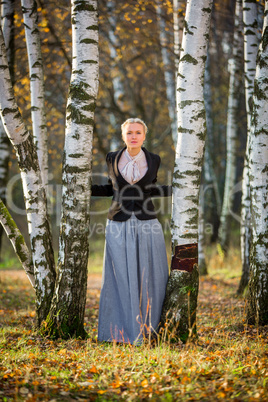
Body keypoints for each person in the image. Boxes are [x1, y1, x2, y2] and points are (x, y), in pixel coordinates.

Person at [91, 118, 171, 344]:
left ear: (144, 135)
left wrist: (175, 190)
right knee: (119, 278)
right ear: (123, 135)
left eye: (138, 132)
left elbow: (151, 189)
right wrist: (84, 188)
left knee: (151, 276)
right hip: (118, 222)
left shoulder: (154, 160)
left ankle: (151, 331)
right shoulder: (112, 158)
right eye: (129, 133)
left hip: (148, 223)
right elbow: (111, 189)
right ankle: (120, 333)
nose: (134, 136)